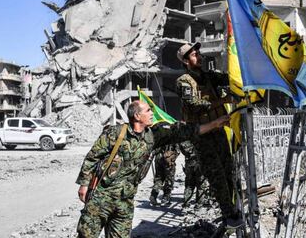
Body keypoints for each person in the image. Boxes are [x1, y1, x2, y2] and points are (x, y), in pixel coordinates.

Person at [76, 100, 230, 238]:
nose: (152, 114)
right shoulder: (115, 133)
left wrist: (214, 124)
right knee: (86, 235)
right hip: (102, 197)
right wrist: (84, 184)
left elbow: (185, 131)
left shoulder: (153, 136)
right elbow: (92, 157)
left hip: (125, 202)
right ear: (137, 116)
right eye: (148, 111)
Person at [176, 42, 242, 229]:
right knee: (216, 174)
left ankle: (231, 209)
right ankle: (229, 215)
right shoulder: (183, 81)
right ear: (186, 61)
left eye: (199, 53)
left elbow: (229, 79)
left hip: (218, 130)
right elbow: (194, 105)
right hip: (201, 134)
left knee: (228, 170)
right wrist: (222, 100)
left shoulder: (209, 77)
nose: (200, 57)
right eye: (195, 55)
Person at [179, 140, 208, 208]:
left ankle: (186, 202)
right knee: (201, 185)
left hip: (189, 164)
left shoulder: (184, 139)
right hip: (199, 164)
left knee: (189, 184)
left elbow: (183, 150)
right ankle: (199, 204)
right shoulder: (201, 137)